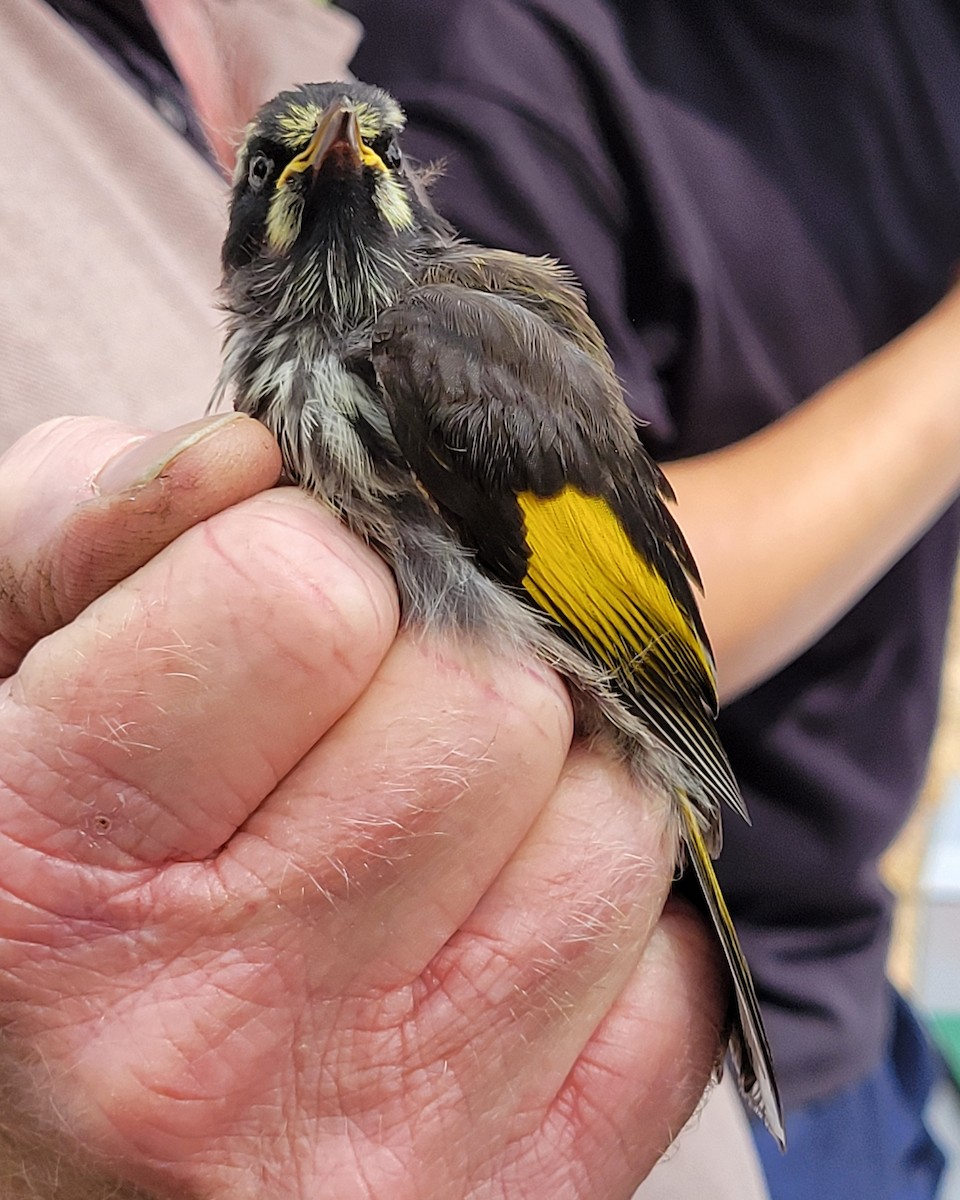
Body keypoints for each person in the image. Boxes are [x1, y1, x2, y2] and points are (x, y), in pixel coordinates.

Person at [0, 2, 747, 1196]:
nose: (335, 148)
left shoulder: (435, 339)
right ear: (246, 221)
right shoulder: (324, 356)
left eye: (374, 150)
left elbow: (621, 608)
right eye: (274, 163)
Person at [339, 1, 960, 1196]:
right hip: (625, 1028)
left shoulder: (907, 40)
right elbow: (515, 597)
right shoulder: (495, 73)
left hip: (843, 993)